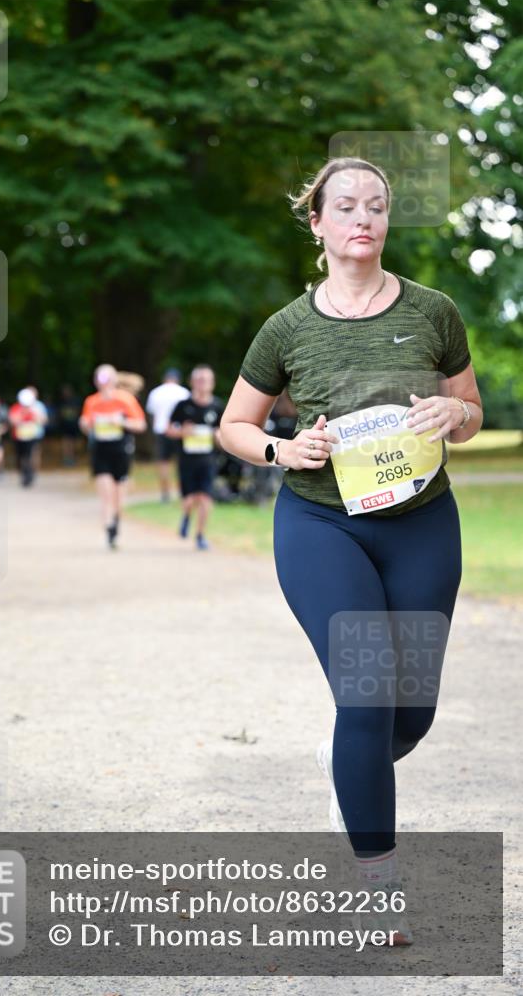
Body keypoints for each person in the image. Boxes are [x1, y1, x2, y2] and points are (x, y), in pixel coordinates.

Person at [219, 156, 483, 946]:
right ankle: (377, 886)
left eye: (375, 205)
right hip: (321, 524)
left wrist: (451, 413)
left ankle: (354, 764)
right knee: (365, 698)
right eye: (345, 205)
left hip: (422, 520)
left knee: (412, 710)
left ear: (384, 220)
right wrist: (279, 452)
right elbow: (233, 426)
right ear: (318, 223)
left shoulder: (433, 310)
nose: (361, 217)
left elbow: (471, 409)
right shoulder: (286, 329)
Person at [79, 363, 147, 549]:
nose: (104, 383)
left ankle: (115, 520)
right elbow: (85, 424)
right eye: (100, 379)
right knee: (105, 491)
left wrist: (122, 421)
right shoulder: (92, 402)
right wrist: (86, 423)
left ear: (114, 380)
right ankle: (108, 525)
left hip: (121, 451)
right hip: (100, 450)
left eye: (107, 379)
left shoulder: (125, 400)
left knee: (118, 494)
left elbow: (140, 425)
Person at [166, 365, 224, 551]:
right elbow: (167, 429)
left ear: (212, 384)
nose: (201, 384)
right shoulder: (183, 406)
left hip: (208, 460)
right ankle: (186, 515)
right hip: (187, 460)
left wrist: (218, 436)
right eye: (198, 380)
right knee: (190, 498)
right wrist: (182, 431)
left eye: (205, 380)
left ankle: (200, 535)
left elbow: (225, 434)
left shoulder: (217, 406)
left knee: (205, 497)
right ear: (191, 382)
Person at [145, 368, 190, 501]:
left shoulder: (156, 392)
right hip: (178, 432)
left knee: (163, 463)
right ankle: (183, 490)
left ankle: (165, 493)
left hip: (161, 430)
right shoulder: (184, 393)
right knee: (181, 462)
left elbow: (151, 413)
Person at [8, 388, 46, 487]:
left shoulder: (34, 409)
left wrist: (33, 415)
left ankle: (29, 475)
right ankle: (23, 474)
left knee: (30, 456)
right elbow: (12, 421)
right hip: (18, 438)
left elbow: (42, 420)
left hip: (31, 437)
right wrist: (22, 416)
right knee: (20, 457)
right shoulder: (16, 408)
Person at [57, 384, 82, 466]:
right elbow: (60, 414)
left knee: (72, 443)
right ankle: (66, 458)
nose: (66, 393)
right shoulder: (61, 402)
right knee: (66, 442)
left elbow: (77, 412)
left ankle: (72, 458)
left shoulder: (75, 401)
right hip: (65, 426)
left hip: (73, 426)